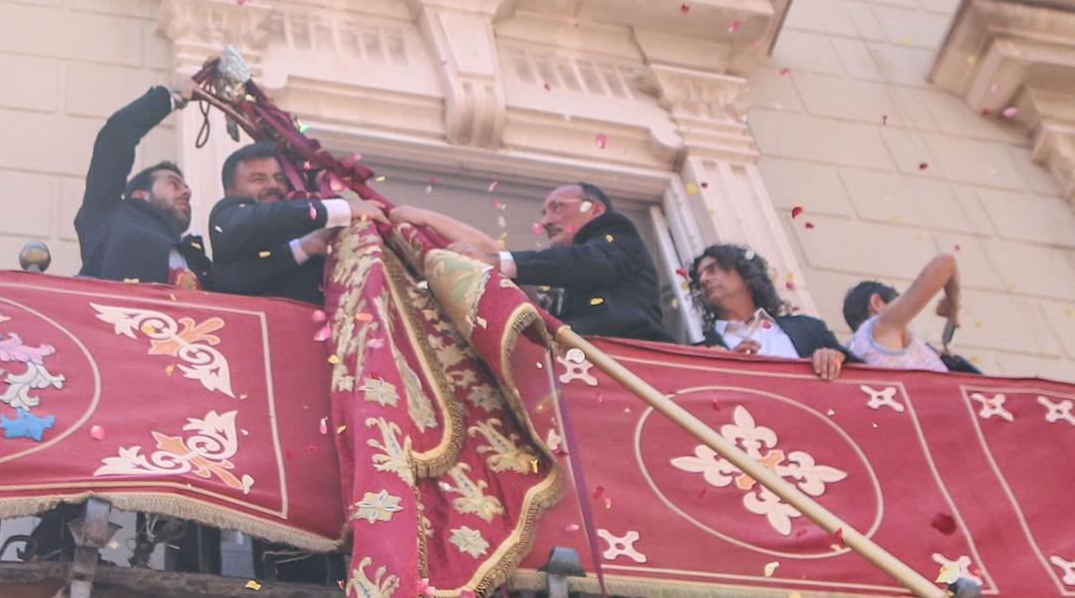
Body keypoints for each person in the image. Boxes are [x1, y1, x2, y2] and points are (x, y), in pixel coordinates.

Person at [396, 182, 669, 341]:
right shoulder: (571, 277)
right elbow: (493, 255)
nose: (546, 221)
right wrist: (429, 221)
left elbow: (583, 263)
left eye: (558, 207)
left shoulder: (615, 232)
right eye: (545, 212)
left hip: (634, 355)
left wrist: (497, 261)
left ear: (595, 209)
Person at [208, 140, 386, 303]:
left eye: (279, 178)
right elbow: (261, 221)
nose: (273, 185)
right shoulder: (227, 216)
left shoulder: (305, 224)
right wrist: (341, 208)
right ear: (230, 193)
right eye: (258, 179)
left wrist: (307, 246)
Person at [75, 85, 208, 286]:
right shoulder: (107, 213)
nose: (186, 192)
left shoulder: (193, 256)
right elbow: (117, 134)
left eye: (186, 188)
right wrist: (171, 98)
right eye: (173, 184)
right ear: (139, 196)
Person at [689, 243, 849, 379]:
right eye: (699, 277)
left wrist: (837, 358)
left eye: (712, 269)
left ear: (745, 275)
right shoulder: (698, 354)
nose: (703, 280)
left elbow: (862, 379)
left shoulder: (809, 328)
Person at [842, 253, 962, 372]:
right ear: (877, 303)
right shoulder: (880, 326)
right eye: (896, 301)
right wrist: (951, 306)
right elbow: (946, 262)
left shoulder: (858, 349)